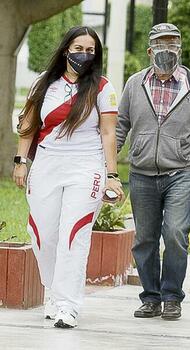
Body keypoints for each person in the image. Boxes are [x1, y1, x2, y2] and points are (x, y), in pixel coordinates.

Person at [12, 26, 123, 328]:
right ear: (65, 50)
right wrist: (21, 161)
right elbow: (29, 123)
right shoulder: (43, 83)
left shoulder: (102, 87)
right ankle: (53, 289)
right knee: (42, 234)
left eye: (90, 50)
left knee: (74, 234)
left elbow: (109, 132)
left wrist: (112, 175)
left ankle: (68, 305)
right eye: (78, 48)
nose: (83, 55)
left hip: (86, 167)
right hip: (47, 163)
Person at [116, 23, 190, 320]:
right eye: (161, 44)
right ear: (150, 50)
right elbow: (120, 125)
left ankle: (172, 296)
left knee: (174, 233)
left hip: (181, 172)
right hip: (142, 172)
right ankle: (150, 297)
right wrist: (106, 165)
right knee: (145, 238)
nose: (167, 50)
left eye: (173, 44)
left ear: (180, 49)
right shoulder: (135, 84)